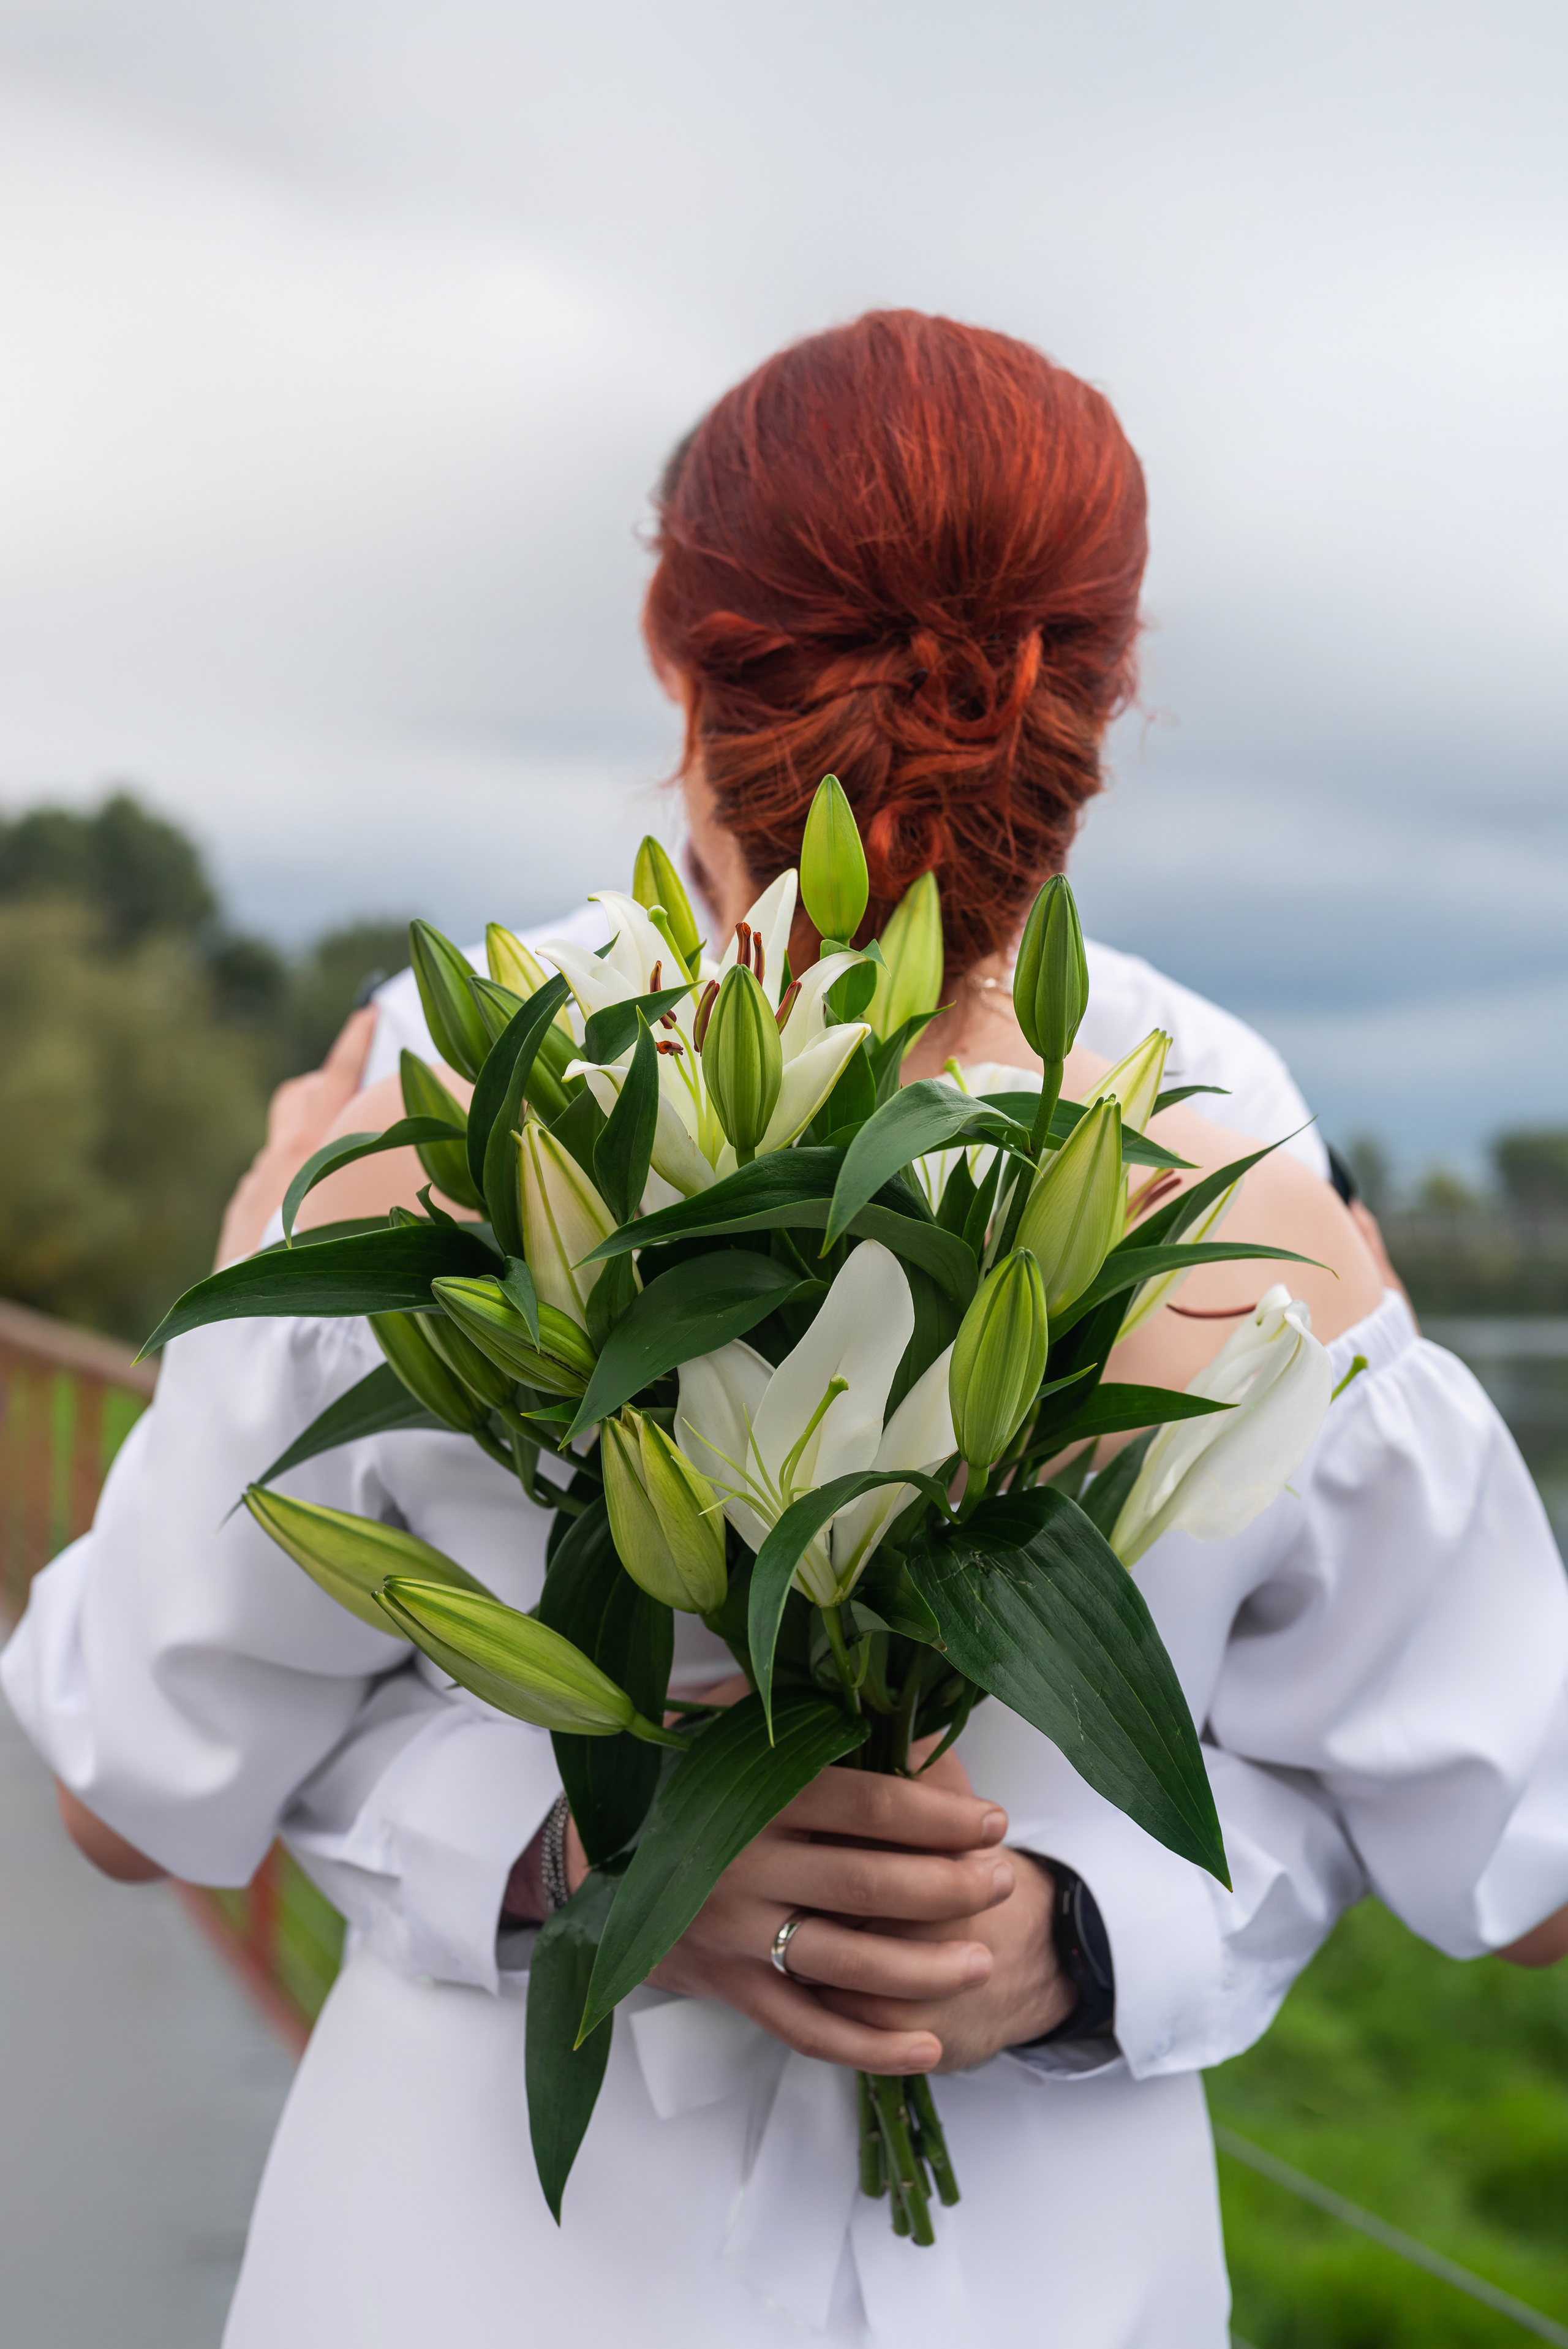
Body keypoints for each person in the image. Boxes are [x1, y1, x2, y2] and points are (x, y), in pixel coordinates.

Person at [7, 312, 1567, 2349]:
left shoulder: (445, 1097)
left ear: (677, 654)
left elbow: (135, 1786)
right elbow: (1525, 1860)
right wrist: (1088, 1932)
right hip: (1045, 2282)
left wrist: (573, 1848)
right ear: (1101, 689)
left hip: (471, 2268)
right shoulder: (1220, 1137)